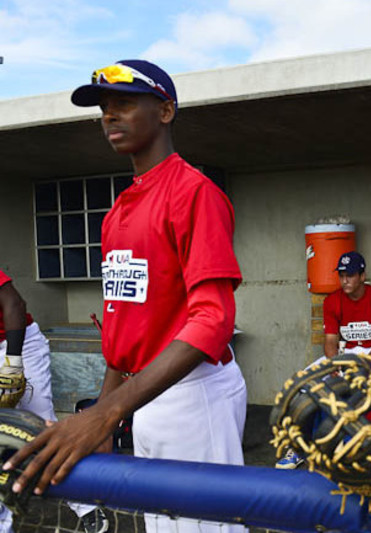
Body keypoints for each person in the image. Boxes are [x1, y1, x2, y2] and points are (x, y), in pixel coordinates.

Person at [5, 60, 247, 533]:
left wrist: (109, 412)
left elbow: (213, 319)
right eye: (103, 108)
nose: (109, 116)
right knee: (161, 525)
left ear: (166, 110)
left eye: (124, 103)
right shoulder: (117, 212)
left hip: (192, 392)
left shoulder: (193, 191)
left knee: (204, 528)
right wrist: (104, 414)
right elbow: (124, 330)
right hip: (144, 396)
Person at [0, 271, 106, 533]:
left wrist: (12, 365)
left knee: (41, 424)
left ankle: (86, 505)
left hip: (19, 344)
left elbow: (15, 304)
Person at [276, 251, 371, 469]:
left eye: (350, 274)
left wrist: (362, 365)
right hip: (343, 354)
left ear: (362, 275)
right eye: (341, 275)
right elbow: (330, 341)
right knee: (306, 385)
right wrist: (336, 364)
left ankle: (367, 445)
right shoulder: (332, 301)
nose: (345, 280)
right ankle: (300, 447)